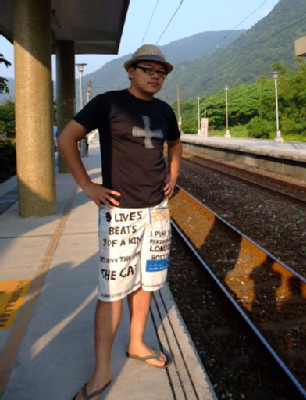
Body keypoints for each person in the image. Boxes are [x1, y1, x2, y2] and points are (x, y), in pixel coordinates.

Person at [58, 44, 182, 400]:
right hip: (120, 213)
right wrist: (86, 184)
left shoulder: (164, 110)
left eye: (161, 72)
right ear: (131, 71)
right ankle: (102, 370)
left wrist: (173, 174)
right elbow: (66, 137)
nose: (155, 76)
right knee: (112, 291)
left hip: (157, 211)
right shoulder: (108, 103)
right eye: (148, 69)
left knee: (146, 282)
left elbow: (175, 144)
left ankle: (137, 343)